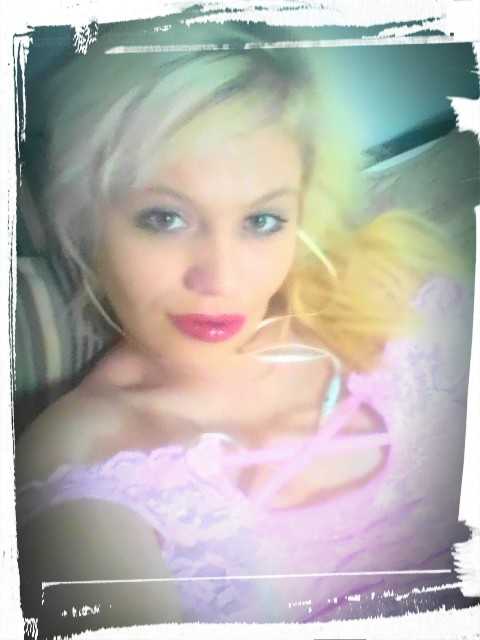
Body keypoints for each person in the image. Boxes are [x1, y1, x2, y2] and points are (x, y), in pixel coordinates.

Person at [15, 18, 473, 635]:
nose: (221, 279)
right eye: (164, 217)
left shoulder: (396, 293)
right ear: (88, 219)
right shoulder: (83, 463)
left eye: (261, 221)